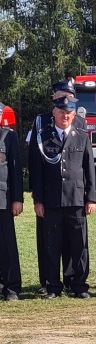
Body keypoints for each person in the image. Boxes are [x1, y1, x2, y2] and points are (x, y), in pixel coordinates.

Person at [29, 93, 96, 299]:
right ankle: (53, 286)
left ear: (74, 114)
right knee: (52, 245)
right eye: (61, 112)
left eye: (68, 113)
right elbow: (36, 172)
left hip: (76, 199)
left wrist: (91, 198)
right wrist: (38, 200)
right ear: (54, 113)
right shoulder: (43, 137)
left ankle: (79, 285)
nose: (64, 116)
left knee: (79, 245)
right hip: (52, 201)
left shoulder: (82, 136)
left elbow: (89, 169)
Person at [0, 123, 23, 300]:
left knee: (7, 246)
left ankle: (12, 287)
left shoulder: (8, 136)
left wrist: (17, 199)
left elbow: (15, 170)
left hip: (3, 199)